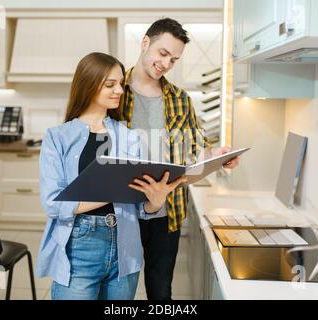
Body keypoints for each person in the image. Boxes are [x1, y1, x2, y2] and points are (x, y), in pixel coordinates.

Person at [35, 52, 186, 300]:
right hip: (78, 247)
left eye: (120, 84)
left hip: (125, 249)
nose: (119, 90)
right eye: (110, 84)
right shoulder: (57, 137)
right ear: (89, 84)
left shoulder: (129, 137)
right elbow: (53, 203)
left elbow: (139, 207)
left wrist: (155, 201)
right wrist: (113, 192)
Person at [121, 18, 240, 300]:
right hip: (123, 213)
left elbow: (199, 145)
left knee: (161, 293)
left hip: (167, 214)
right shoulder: (115, 90)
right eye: (163, 54)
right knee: (119, 292)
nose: (166, 64)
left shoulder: (180, 98)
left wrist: (218, 154)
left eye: (173, 60)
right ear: (145, 43)